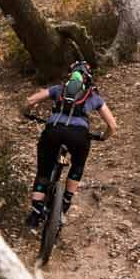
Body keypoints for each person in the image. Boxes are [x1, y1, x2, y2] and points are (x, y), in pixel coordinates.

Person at [22, 60, 117, 230]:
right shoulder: (93, 97)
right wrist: (103, 136)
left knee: (44, 170)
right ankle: (65, 201)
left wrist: (27, 113)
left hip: (53, 132)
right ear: (88, 79)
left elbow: (31, 100)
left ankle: (36, 214)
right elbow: (112, 125)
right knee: (77, 165)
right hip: (79, 137)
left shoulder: (58, 89)